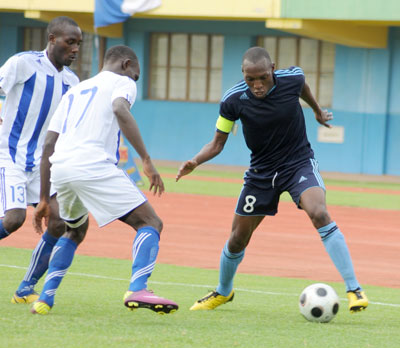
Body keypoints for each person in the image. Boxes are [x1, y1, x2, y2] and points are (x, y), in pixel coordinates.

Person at [176, 47, 368, 313]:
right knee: (237, 238)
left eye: (263, 78)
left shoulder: (292, 79)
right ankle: (223, 291)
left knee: (320, 213)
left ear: (273, 69)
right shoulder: (232, 100)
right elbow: (217, 143)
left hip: (298, 163)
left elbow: (303, 88)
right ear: (243, 74)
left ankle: (354, 288)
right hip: (261, 173)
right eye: (250, 79)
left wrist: (317, 111)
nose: (257, 85)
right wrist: (196, 161)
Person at [31, 45, 179, 316]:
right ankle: (138, 288)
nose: (135, 80)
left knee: (74, 230)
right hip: (93, 165)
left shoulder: (75, 90)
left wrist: (43, 198)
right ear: (126, 64)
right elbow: (120, 109)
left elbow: (49, 144)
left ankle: (44, 299)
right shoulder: (123, 82)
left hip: (62, 168)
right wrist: (146, 159)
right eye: (136, 74)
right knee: (150, 222)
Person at [0, 16, 82, 304]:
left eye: (78, 45)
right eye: (69, 43)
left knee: (59, 221)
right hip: (8, 155)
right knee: (14, 219)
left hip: (42, 164)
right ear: (52, 40)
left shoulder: (73, 82)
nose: (75, 50)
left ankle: (26, 287)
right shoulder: (23, 63)